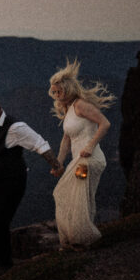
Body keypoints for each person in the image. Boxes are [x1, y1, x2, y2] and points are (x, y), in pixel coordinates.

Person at [0, 95, 62, 277]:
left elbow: (40, 144)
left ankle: (4, 263)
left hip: (10, 183)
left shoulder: (15, 128)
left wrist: (55, 166)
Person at [49, 59, 115, 249]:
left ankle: (83, 238)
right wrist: (58, 163)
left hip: (89, 160)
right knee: (66, 194)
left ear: (68, 89)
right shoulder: (69, 108)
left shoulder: (81, 105)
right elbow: (66, 139)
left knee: (77, 197)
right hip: (78, 160)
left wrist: (91, 145)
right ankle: (76, 238)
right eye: (54, 91)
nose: (56, 95)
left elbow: (105, 123)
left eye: (59, 91)